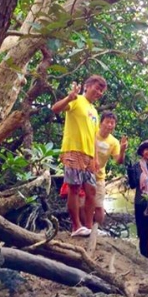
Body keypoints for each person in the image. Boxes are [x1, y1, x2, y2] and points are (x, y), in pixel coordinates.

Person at [52, 75, 107, 237]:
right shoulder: (76, 100)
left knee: (91, 191)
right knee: (74, 188)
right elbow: (55, 108)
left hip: (88, 155)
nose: (99, 92)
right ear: (87, 86)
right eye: (97, 88)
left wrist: (95, 158)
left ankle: (88, 227)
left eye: (102, 90)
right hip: (73, 150)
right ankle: (76, 226)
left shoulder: (94, 111)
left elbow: (94, 137)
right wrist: (68, 98)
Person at [93, 111, 128, 226]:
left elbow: (118, 161)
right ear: (100, 123)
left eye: (112, 123)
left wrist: (122, 150)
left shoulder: (114, 142)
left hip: (99, 176)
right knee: (83, 204)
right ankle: (84, 228)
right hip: (85, 173)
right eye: (107, 122)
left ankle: (96, 230)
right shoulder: (92, 133)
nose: (109, 125)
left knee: (99, 205)